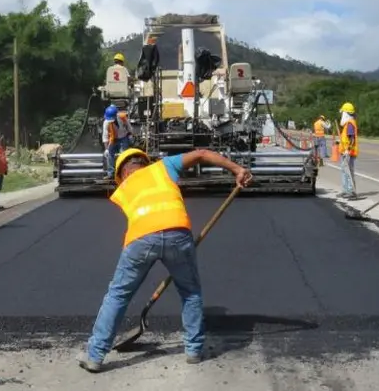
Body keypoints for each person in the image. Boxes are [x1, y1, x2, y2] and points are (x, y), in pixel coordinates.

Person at [77, 147, 253, 373]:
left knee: (118, 295)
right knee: (190, 292)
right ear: (146, 162)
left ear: (122, 174)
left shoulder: (122, 189)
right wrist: (237, 169)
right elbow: (201, 154)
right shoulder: (162, 167)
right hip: (178, 234)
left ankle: (94, 355)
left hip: (141, 239)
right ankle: (193, 351)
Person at [338, 102, 358, 200]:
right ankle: (346, 190)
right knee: (344, 171)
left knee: (348, 171)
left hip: (348, 153)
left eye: (343, 113)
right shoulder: (347, 124)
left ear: (346, 113)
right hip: (345, 151)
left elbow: (352, 138)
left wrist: (347, 149)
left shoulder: (350, 123)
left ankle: (351, 191)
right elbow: (346, 138)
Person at [102, 105, 125, 179]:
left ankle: (123, 173)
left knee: (124, 155)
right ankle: (110, 173)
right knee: (109, 155)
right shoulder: (106, 122)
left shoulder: (122, 117)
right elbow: (105, 136)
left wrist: (131, 134)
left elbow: (128, 126)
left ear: (116, 116)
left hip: (123, 138)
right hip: (113, 139)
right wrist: (106, 149)